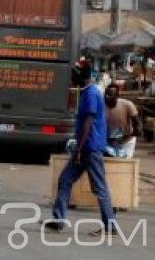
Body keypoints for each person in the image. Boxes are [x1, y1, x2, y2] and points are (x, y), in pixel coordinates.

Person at [45, 60, 116, 235]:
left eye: (72, 75)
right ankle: (58, 220)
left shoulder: (91, 94)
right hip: (84, 149)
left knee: (99, 188)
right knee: (65, 180)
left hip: (89, 149)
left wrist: (79, 148)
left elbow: (89, 122)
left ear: (79, 76)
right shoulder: (86, 92)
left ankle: (110, 226)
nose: (70, 79)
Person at [104, 85, 142, 159]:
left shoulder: (127, 105)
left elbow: (137, 124)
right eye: (105, 94)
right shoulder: (101, 106)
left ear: (117, 95)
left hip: (126, 140)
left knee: (125, 163)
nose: (106, 96)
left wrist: (135, 131)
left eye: (109, 95)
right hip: (108, 141)